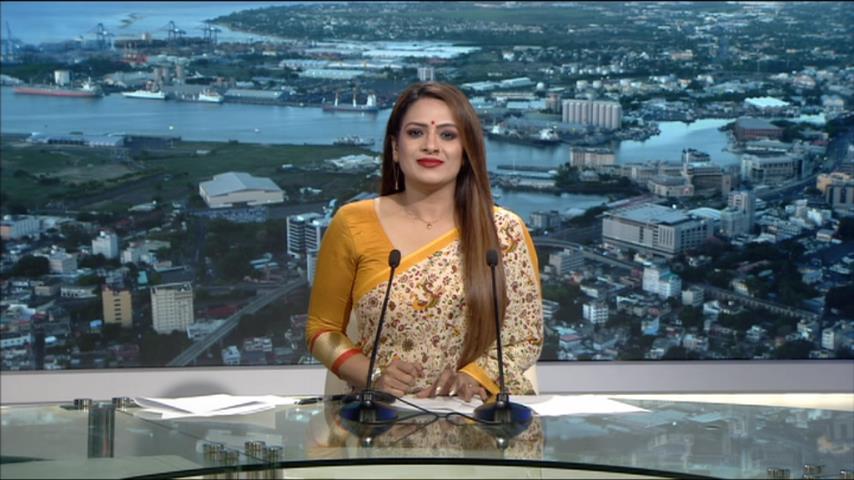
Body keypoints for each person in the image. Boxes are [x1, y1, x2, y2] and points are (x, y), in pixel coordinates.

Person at [306, 82, 543, 403]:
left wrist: (474, 377)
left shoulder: (504, 232)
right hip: (385, 416)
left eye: (448, 135)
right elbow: (322, 329)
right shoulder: (352, 223)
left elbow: (526, 336)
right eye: (416, 133)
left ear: (466, 151)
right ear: (395, 147)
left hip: (483, 416)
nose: (431, 145)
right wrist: (373, 375)